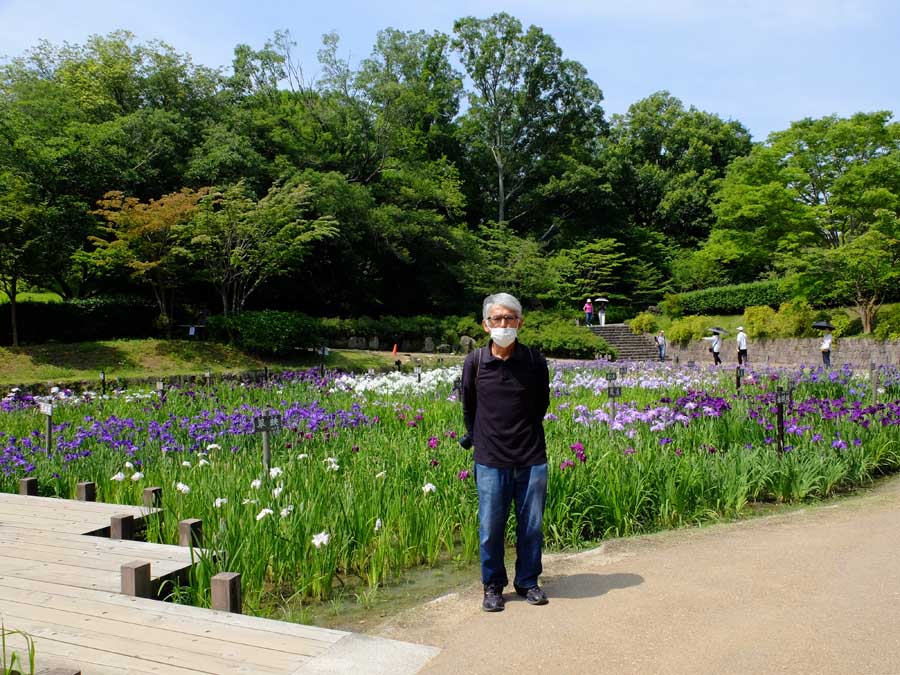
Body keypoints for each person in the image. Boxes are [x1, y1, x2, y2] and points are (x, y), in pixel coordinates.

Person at [460, 293, 551, 612]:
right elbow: (469, 408)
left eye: (509, 318)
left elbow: (541, 405)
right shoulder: (474, 362)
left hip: (531, 455)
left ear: (520, 323)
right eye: (497, 319)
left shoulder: (535, 362)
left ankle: (528, 581)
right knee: (490, 527)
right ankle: (493, 585)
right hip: (489, 458)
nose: (503, 324)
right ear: (486, 325)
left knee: (531, 525)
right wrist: (479, 440)